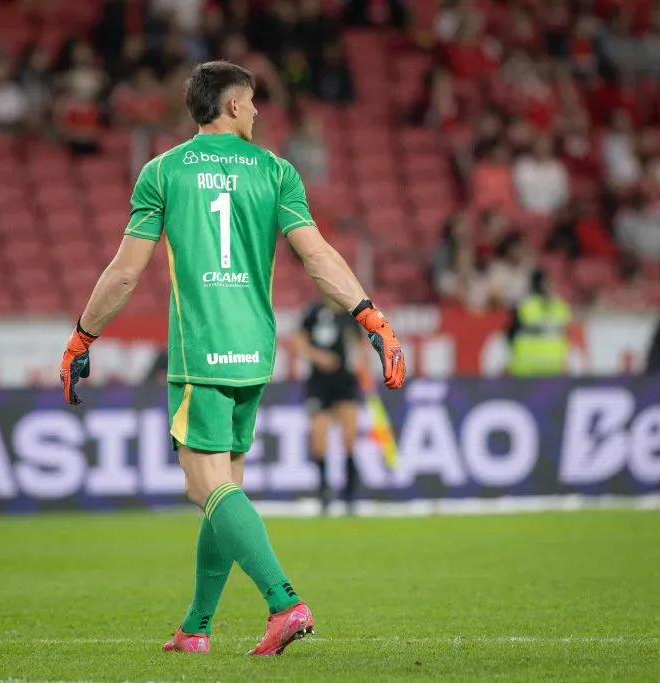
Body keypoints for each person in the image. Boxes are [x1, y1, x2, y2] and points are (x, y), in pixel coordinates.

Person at [57, 61, 406, 657]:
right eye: (253, 103)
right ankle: (196, 628)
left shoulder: (162, 172)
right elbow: (317, 257)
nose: (259, 113)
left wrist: (82, 337)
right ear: (234, 107)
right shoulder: (275, 172)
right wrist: (371, 316)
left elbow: (124, 273)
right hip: (254, 353)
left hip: (200, 353)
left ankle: (284, 602)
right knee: (224, 489)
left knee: (204, 487)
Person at [295, 297, 366, 514]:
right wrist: (318, 357)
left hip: (345, 380)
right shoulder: (312, 312)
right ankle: (324, 491)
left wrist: (362, 368)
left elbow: (359, 345)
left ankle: (350, 494)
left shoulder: (349, 314)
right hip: (319, 383)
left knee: (349, 438)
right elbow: (300, 341)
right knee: (319, 439)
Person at [506, 269, 571, 376]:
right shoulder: (524, 307)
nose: (551, 286)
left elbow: (566, 338)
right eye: (548, 283)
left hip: (554, 371)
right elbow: (509, 338)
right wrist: (508, 362)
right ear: (538, 284)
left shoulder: (561, 307)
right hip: (526, 372)